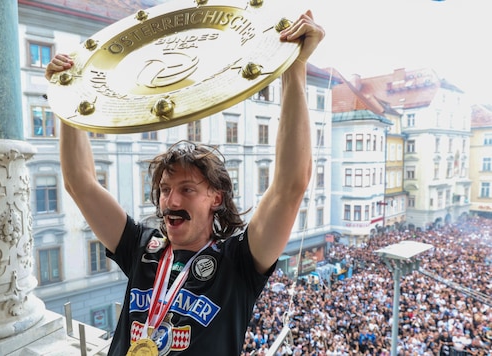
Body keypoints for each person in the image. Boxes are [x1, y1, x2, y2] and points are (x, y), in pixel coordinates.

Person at [45, 10, 325, 356]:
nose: (170, 200)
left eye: (187, 189)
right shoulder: (141, 247)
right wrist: (68, 96)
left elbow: (289, 185)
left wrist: (293, 68)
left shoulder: (238, 261)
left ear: (216, 199)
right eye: (164, 190)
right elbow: (80, 183)